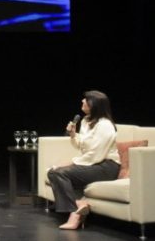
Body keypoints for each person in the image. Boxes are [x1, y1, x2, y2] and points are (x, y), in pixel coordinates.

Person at [46, 90, 121, 230]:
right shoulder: (86, 121)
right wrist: (73, 135)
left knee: (58, 173)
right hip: (93, 164)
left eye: (86, 99)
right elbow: (83, 146)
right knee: (52, 171)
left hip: (106, 167)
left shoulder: (105, 125)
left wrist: (71, 163)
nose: (82, 101)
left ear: (94, 104)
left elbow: (95, 154)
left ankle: (75, 212)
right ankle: (79, 205)